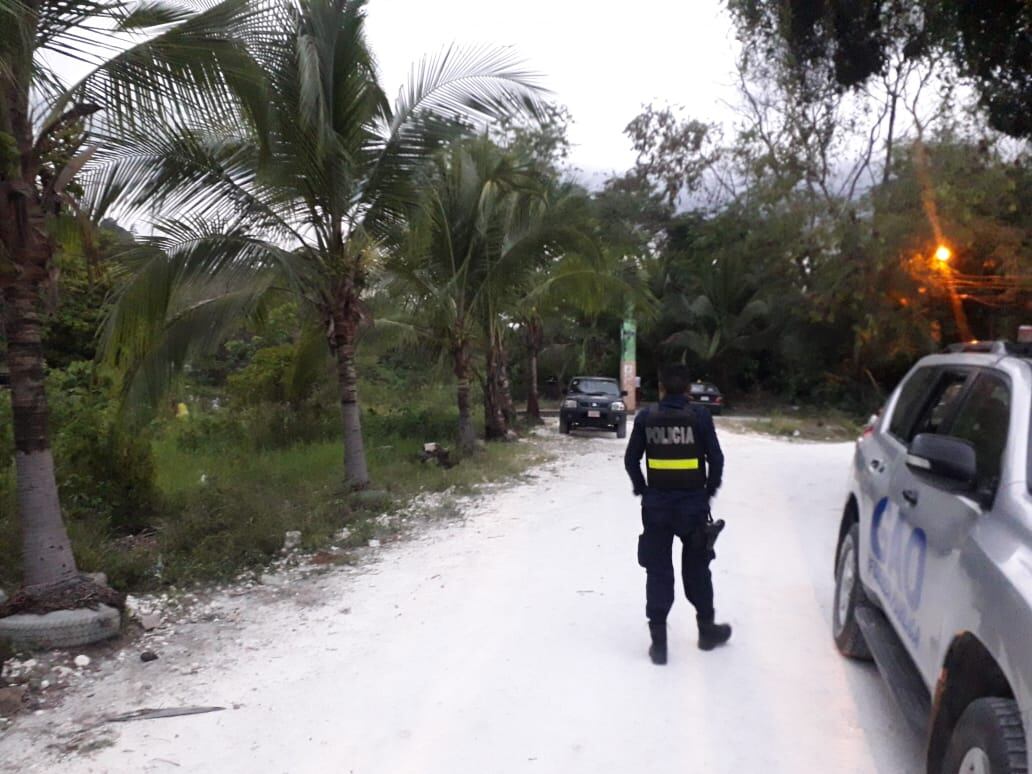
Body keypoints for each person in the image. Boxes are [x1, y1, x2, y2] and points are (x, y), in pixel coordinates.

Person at [624, 363, 731, 664]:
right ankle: (707, 631)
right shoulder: (699, 417)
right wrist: (707, 493)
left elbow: (631, 459)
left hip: (656, 509)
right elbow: (717, 460)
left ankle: (659, 645)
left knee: (658, 572)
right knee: (698, 570)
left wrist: (642, 490)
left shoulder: (646, 418)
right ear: (688, 390)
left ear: (660, 388)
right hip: (692, 510)